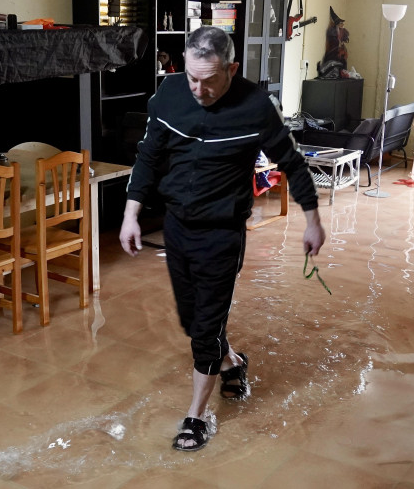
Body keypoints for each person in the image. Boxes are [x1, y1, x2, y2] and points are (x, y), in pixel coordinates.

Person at [119, 26, 326, 452]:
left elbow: (293, 163)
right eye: (192, 78)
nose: (199, 89)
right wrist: (131, 214)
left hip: (221, 232)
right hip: (176, 227)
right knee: (192, 323)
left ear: (231, 68)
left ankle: (196, 417)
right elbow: (148, 156)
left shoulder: (255, 107)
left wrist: (312, 220)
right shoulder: (169, 94)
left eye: (210, 80)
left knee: (205, 327)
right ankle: (232, 361)